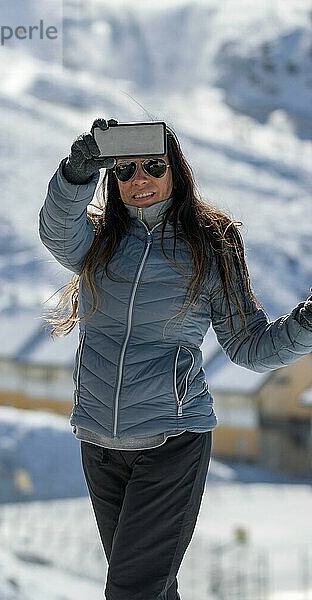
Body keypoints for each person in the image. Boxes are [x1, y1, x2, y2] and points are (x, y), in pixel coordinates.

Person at [39, 117, 312, 600]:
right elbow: (58, 232)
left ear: (176, 171)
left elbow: (250, 347)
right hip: (100, 442)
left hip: (171, 441)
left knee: (132, 589)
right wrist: (75, 174)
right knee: (150, 589)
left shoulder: (209, 246)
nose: (139, 179)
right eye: (124, 171)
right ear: (113, 180)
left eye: (153, 166)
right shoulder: (98, 243)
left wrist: (307, 323)